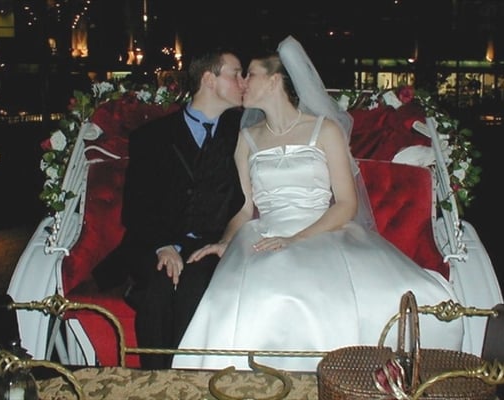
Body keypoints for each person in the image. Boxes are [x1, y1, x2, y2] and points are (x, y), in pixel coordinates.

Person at [171, 36, 464, 372]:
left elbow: (346, 203)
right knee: (257, 291)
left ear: (274, 80)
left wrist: (297, 239)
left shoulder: (325, 131)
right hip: (264, 233)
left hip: (325, 230)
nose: (242, 83)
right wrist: (224, 242)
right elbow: (244, 207)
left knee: (373, 292)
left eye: (249, 74)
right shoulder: (246, 139)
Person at [93, 47, 246, 369]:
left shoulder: (241, 135)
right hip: (153, 240)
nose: (243, 82)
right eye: (235, 73)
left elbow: (239, 202)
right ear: (209, 79)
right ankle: (155, 382)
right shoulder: (151, 137)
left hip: (210, 244)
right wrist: (163, 245)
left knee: (193, 286)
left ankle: (189, 379)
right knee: (157, 287)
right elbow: (135, 207)